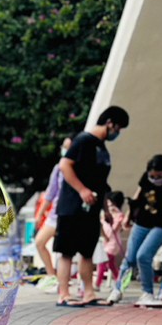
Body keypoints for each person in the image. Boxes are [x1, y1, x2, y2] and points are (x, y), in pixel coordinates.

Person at [53, 106, 130, 307]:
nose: (117, 133)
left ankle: (89, 293)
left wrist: (106, 209)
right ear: (110, 123)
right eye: (118, 128)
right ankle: (64, 294)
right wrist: (82, 190)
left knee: (87, 251)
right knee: (67, 251)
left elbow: (101, 184)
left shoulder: (102, 149)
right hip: (72, 206)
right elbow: (65, 165)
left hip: (92, 208)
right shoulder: (83, 140)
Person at [108, 152, 162, 308]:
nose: (155, 179)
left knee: (143, 255)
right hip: (142, 222)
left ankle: (147, 293)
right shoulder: (145, 178)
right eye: (152, 176)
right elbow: (137, 197)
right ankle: (118, 289)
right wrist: (128, 216)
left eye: (159, 176)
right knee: (130, 258)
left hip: (160, 226)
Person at [33, 138, 71, 290]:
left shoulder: (79, 166)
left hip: (68, 213)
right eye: (64, 147)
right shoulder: (58, 168)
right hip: (55, 214)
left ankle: (64, 283)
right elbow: (51, 193)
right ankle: (51, 276)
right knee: (39, 242)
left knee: (65, 251)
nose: (65, 150)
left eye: (68, 147)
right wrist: (40, 214)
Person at [94, 191, 125, 291]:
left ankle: (97, 284)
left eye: (111, 204)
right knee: (111, 265)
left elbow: (113, 230)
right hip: (106, 242)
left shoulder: (119, 216)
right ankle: (119, 282)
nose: (109, 206)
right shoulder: (106, 215)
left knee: (102, 262)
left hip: (113, 243)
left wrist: (106, 221)